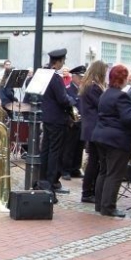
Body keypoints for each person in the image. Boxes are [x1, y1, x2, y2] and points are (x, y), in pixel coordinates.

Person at [91, 64, 131, 218]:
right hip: (116, 139)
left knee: (104, 171)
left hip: (101, 136)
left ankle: (100, 204)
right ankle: (108, 207)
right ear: (123, 79)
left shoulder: (106, 94)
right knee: (114, 174)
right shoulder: (121, 96)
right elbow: (127, 120)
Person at [39, 48, 73, 187]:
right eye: (62, 62)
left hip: (47, 117)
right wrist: (72, 101)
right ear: (58, 62)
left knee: (46, 149)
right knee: (54, 151)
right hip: (57, 119)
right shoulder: (56, 77)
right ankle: (51, 180)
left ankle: (43, 177)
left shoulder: (44, 75)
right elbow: (63, 99)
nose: (63, 64)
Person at [77, 60, 107, 204]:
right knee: (94, 161)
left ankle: (89, 190)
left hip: (90, 127)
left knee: (93, 161)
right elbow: (102, 104)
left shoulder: (87, 85)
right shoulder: (93, 87)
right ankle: (88, 192)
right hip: (95, 127)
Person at [62, 64, 86, 179]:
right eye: (80, 77)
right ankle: (65, 169)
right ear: (74, 76)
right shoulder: (68, 89)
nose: (82, 79)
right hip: (72, 122)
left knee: (79, 147)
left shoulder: (83, 90)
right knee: (69, 147)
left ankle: (75, 168)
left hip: (82, 122)